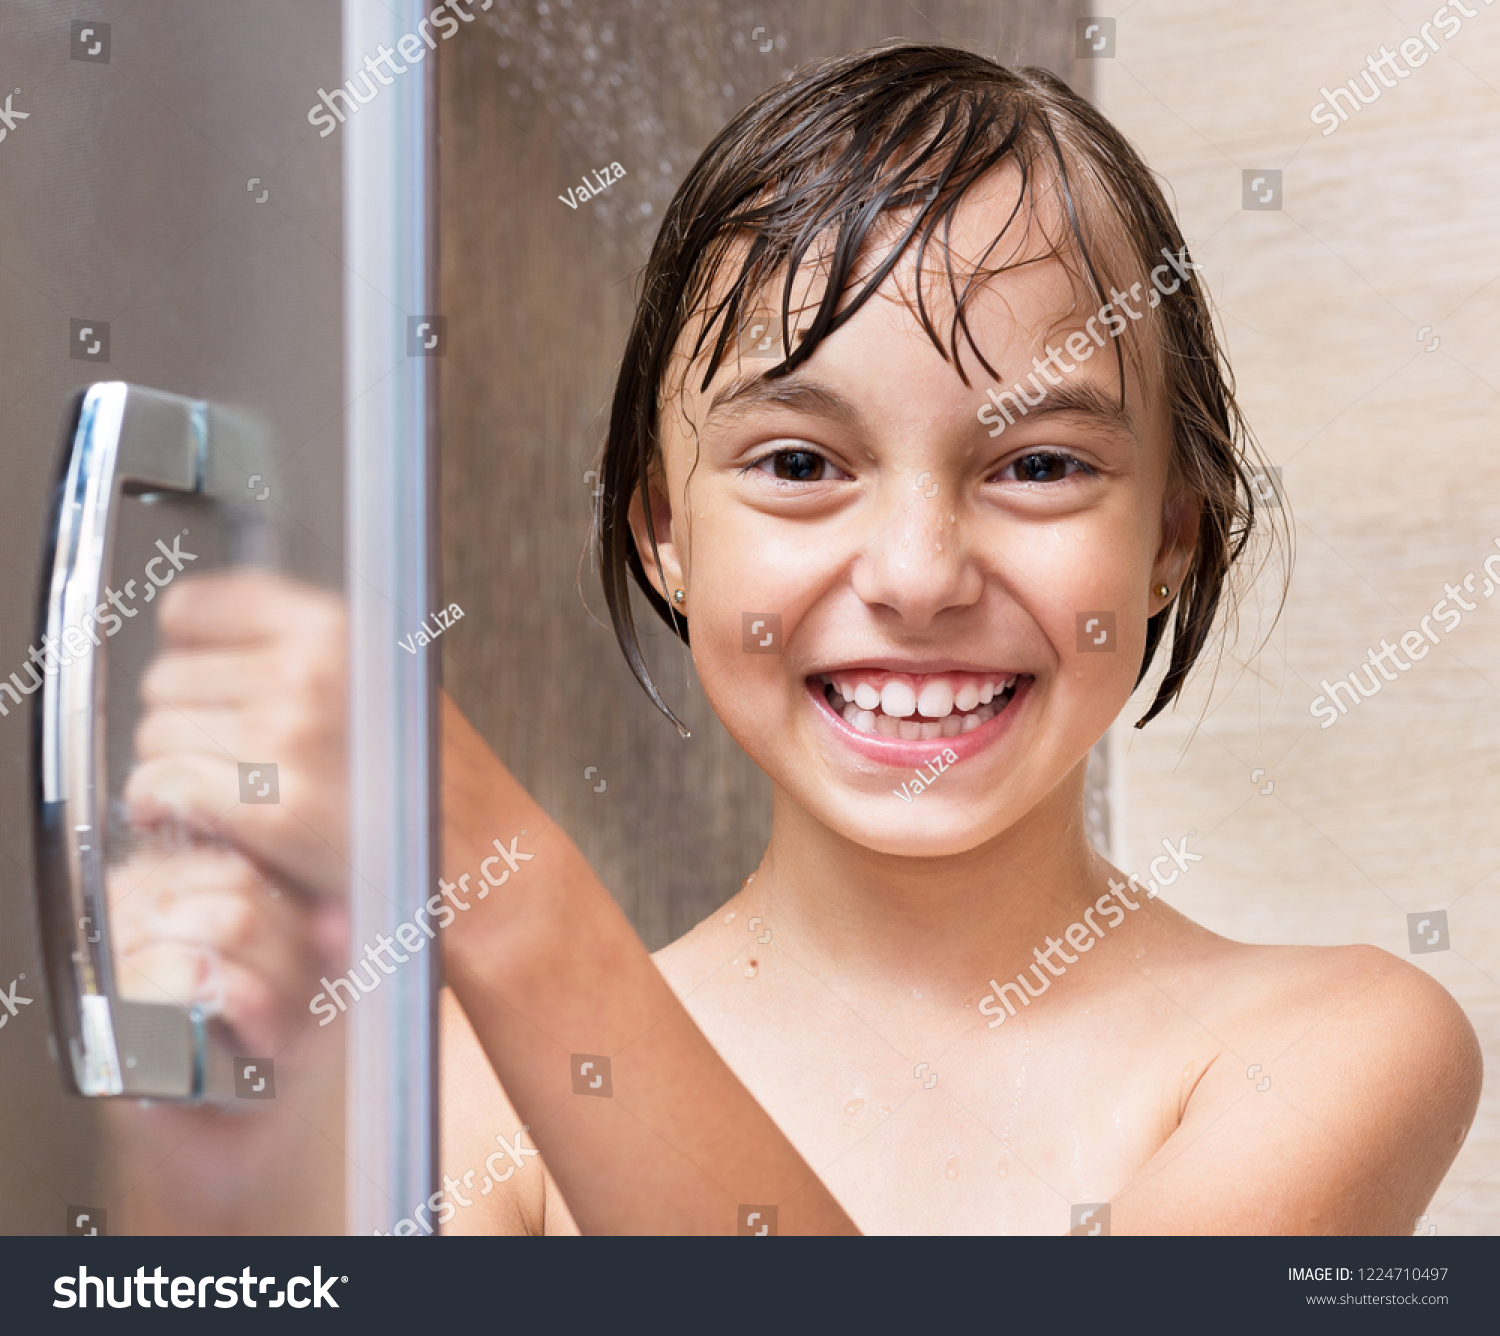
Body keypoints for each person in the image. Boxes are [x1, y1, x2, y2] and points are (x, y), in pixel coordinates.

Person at [111, 43, 1480, 1235]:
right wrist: (201, 1164)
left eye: (1043, 466)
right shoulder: (473, 1091)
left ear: (1172, 534)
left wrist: (501, 885)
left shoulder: (1333, 1051)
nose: (918, 574)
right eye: (799, 462)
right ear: (664, 531)